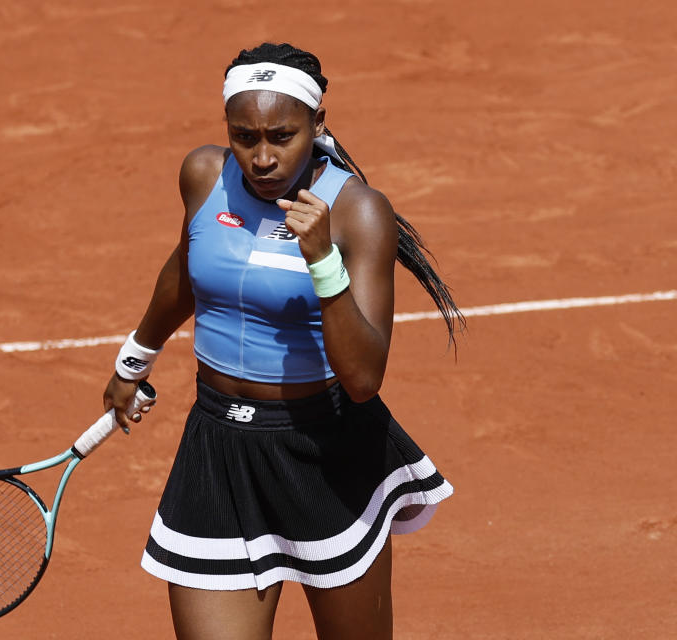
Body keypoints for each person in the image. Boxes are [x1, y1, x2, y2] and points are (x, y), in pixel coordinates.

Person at [103, 42, 464, 640]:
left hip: (324, 452)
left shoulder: (358, 213)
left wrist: (322, 257)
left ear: (317, 125)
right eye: (245, 137)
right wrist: (134, 358)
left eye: (282, 136)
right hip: (219, 450)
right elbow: (186, 270)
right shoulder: (203, 175)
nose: (262, 157)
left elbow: (364, 377)